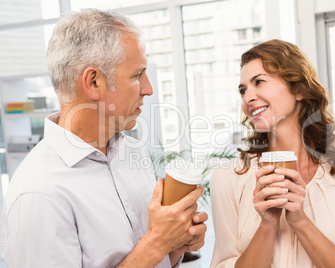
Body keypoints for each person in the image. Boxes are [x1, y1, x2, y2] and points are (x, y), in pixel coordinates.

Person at [1, 9, 207, 268]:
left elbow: (157, 258)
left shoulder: (132, 151)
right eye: (136, 75)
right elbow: (152, 247)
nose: (148, 89)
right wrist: (157, 243)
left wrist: (175, 244)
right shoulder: (38, 193)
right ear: (94, 82)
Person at [210, 39, 335, 267]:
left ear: (298, 89)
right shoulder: (228, 178)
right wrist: (267, 224)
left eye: (259, 82)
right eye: (243, 90)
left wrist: (300, 220)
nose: (247, 98)